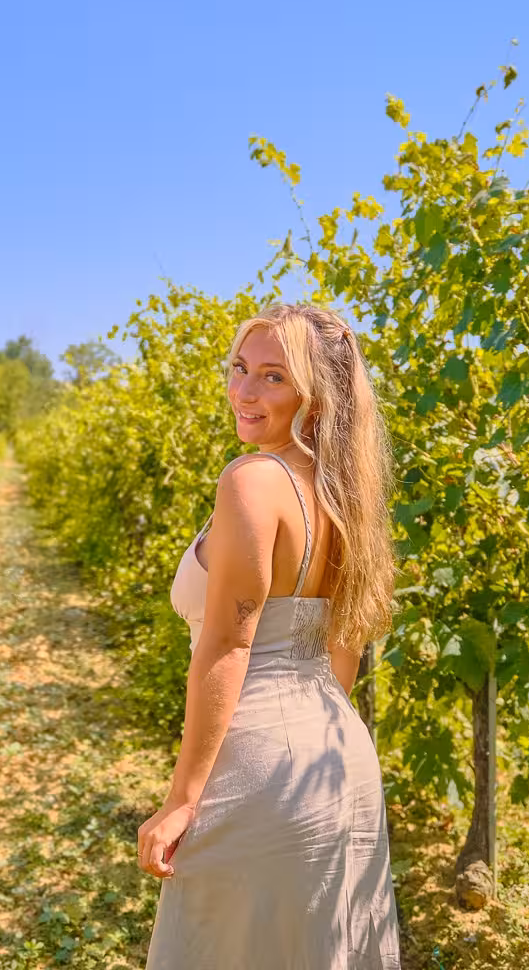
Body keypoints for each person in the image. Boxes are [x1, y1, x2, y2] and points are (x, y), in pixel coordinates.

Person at [138, 303, 401, 969]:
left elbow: (229, 644)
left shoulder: (253, 481)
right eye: (239, 369)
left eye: (273, 377)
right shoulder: (348, 494)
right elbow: (344, 648)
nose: (244, 391)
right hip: (337, 755)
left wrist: (182, 799)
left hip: (259, 763)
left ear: (314, 395)